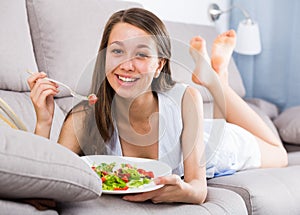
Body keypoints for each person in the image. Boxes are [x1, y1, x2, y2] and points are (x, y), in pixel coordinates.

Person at [27, 8, 287, 204]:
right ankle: (214, 76)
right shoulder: (84, 117)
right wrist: (44, 123)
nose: (127, 65)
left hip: (212, 146)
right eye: (117, 51)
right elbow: (45, 195)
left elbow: (198, 188)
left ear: (159, 65)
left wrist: (183, 192)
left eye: (141, 54)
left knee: (280, 154)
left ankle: (215, 80)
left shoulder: (187, 99)